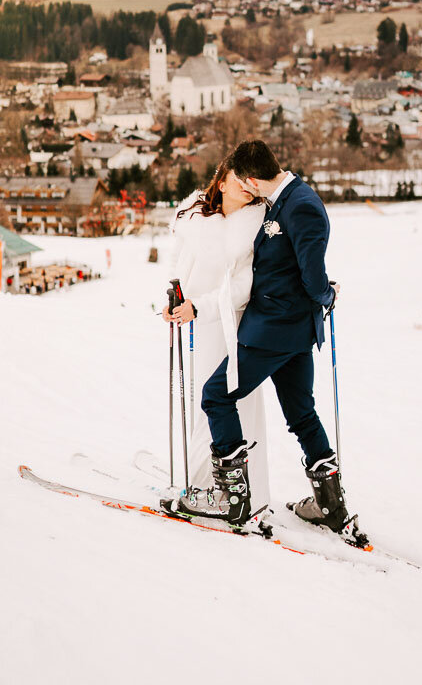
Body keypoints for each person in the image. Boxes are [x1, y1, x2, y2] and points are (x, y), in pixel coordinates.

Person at [183, 139, 366, 546]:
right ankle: (330, 507)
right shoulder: (285, 198)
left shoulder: (301, 206)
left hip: (273, 330)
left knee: (216, 396)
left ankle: (231, 497)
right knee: (301, 414)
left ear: (251, 177)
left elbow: (313, 275)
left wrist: (327, 296)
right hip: (291, 332)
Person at [163, 154, 271, 514]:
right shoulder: (193, 216)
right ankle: (202, 483)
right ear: (221, 182)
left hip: (233, 326)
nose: (246, 185)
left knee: (229, 401)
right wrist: (175, 300)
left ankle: (232, 491)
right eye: (239, 178)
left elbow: (242, 288)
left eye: (251, 180)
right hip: (200, 326)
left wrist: (201, 306)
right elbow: (179, 267)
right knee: (203, 403)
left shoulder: (253, 226)